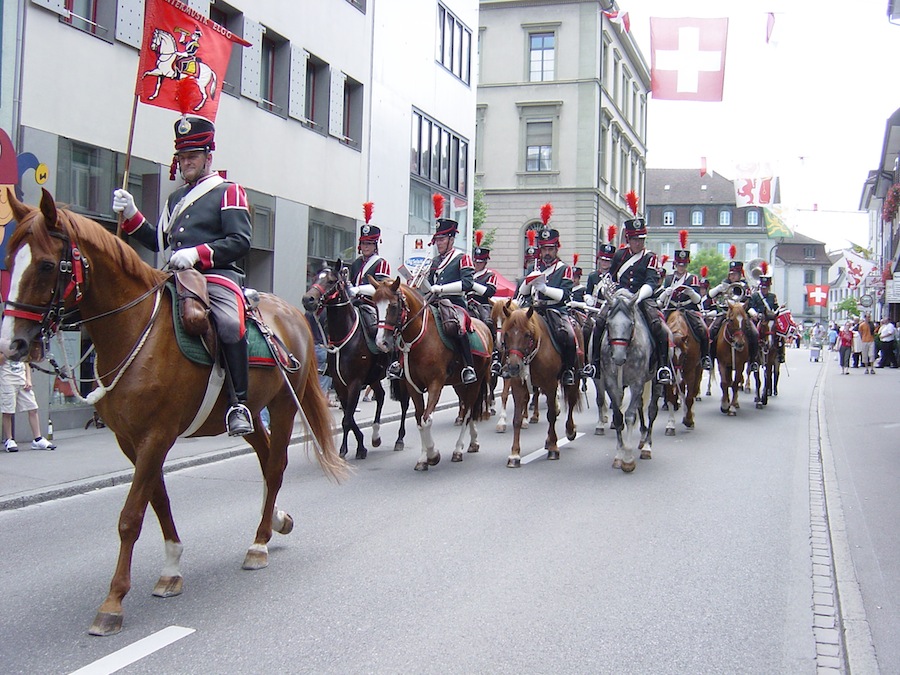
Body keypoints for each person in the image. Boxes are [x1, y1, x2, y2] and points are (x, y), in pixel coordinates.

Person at [113, 114, 254, 436]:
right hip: (175, 276)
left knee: (231, 325)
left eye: (193, 156)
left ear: (208, 156)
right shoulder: (175, 199)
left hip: (216, 276)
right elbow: (159, 241)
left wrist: (197, 253)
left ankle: (239, 404)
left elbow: (240, 241)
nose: (187, 163)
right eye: (182, 157)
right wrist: (132, 213)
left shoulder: (229, 191)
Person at [583, 206, 674, 385]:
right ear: (628, 239)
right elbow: (613, 277)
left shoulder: (650, 257)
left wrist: (638, 297)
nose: (638, 243)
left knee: (659, 327)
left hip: (642, 298)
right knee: (599, 322)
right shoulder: (620, 255)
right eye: (634, 239)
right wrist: (609, 292)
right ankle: (594, 364)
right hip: (620, 298)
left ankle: (663, 367)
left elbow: (651, 281)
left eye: (641, 239)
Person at [390, 204, 477, 384]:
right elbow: (429, 285)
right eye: (437, 239)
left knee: (458, 327)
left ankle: (468, 366)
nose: (439, 243)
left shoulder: (462, 257)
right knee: (405, 322)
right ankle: (398, 364)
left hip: (454, 303)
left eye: (442, 239)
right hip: (433, 301)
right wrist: (418, 283)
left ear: (451, 239)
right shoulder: (434, 260)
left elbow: (468, 283)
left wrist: (442, 289)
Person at [516, 218, 580, 386]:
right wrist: (529, 280)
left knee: (569, 335)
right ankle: (507, 365)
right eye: (544, 248)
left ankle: (568, 370)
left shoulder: (564, 269)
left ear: (556, 248)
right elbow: (523, 292)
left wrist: (544, 288)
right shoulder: (534, 267)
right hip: (534, 310)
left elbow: (565, 295)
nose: (547, 253)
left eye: (550, 249)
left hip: (556, 310)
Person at [656, 231, 712, 370]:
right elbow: (660, 302)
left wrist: (691, 293)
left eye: (684, 265)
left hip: (688, 311)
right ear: (675, 264)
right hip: (671, 309)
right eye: (680, 265)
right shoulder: (669, 279)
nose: (681, 267)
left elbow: (698, 299)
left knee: (703, 330)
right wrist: (665, 293)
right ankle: (658, 359)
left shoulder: (692, 278)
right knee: (657, 329)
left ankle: (705, 357)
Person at [707, 250, 760, 373]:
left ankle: (753, 361)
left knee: (754, 334)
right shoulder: (725, 284)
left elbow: (749, 303)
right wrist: (720, 288)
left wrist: (751, 312)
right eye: (731, 274)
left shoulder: (744, 286)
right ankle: (709, 358)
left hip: (741, 314)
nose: (732, 277)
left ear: (740, 275)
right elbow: (710, 295)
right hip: (726, 313)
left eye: (735, 274)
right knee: (711, 331)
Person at [347, 202, 391, 339]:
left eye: (369, 244)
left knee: (373, 329)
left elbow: (381, 291)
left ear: (375, 245)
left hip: (371, 303)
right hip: (353, 302)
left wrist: (359, 290)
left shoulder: (381, 263)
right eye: (363, 243)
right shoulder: (356, 263)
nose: (365, 247)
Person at [0, 356, 56, 452]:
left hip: (22, 380)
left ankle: (37, 439)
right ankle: (9, 439)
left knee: (33, 408)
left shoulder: (21, 343)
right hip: (7, 380)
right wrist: (7, 352)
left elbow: (26, 362)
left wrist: (28, 379)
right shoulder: (3, 344)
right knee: (8, 411)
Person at [467, 230, 501, 375]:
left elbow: (489, 292)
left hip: (482, 305)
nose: (476, 264)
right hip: (466, 302)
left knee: (488, 322)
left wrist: (472, 284)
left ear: (485, 261)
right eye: (475, 261)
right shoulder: (467, 273)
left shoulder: (490, 275)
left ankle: (495, 354)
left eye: (480, 262)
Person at [747, 266, 785, 364]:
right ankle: (752, 356)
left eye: (766, 288)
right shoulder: (755, 295)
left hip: (770, 319)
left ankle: (781, 354)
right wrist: (755, 314)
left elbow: (775, 308)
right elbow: (750, 307)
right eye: (763, 288)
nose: (764, 290)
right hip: (758, 318)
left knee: (780, 334)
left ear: (769, 287)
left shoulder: (772, 296)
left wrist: (780, 309)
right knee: (752, 334)